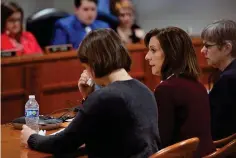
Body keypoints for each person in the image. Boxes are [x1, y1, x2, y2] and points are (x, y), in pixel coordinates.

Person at [21, 29, 161, 158]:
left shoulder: (104, 97)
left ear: (95, 63)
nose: (87, 72)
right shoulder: (144, 90)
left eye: (86, 67)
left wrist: (31, 137)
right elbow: (103, 127)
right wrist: (88, 96)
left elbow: (64, 143)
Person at [144, 27, 215, 157]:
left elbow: (161, 141)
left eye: (153, 50)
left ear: (171, 53)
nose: (147, 56)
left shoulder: (166, 89)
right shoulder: (198, 85)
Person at [201, 19, 236, 140]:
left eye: (207, 46)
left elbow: (216, 131)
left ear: (227, 48)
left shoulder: (228, 80)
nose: (202, 51)